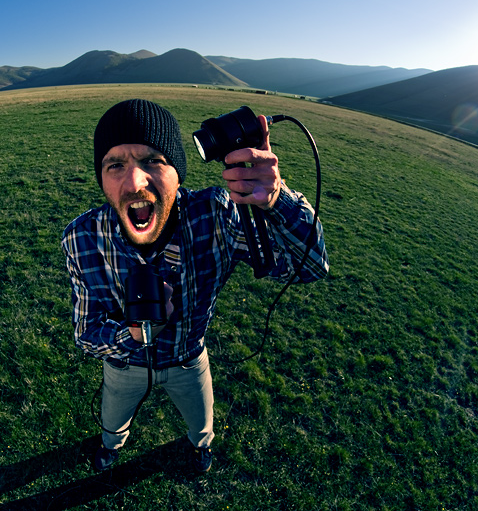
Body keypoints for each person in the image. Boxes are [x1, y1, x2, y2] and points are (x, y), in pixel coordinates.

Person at [61, 98, 328, 474]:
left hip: (189, 360)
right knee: (113, 417)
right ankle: (111, 444)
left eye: (153, 160)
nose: (135, 182)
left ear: (178, 173)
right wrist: (132, 335)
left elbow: (310, 267)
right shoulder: (82, 238)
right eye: (115, 165)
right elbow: (86, 333)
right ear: (101, 178)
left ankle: (201, 445)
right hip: (123, 366)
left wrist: (276, 199)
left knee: (202, 420)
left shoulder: (216, 218)